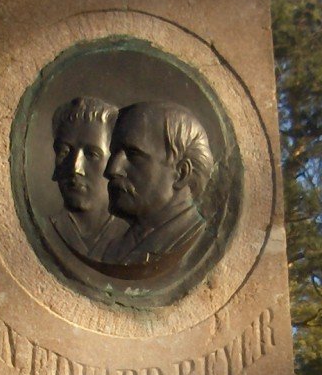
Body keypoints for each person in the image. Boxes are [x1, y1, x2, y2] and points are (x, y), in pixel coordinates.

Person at [102, 101, 214, 266]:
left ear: (181, 173)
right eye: (114, 153)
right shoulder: (115, 249)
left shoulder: (197, 243)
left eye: (133, 155)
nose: (111, 169)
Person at [49, 96, 127, 260]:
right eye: (65, 151)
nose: (75, 168)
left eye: (92, 154)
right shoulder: (43, 231)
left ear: (114, 162)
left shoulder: (135, 240)